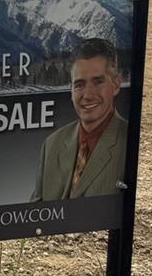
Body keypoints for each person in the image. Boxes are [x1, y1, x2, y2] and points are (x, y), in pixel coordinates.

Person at [30, 37, 129, 202]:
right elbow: (35, 212)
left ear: (116, 84)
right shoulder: (51, 144)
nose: (88, 95)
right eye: (79, 84)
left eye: (98, 82)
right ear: (71, 90)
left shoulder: (128, 142)